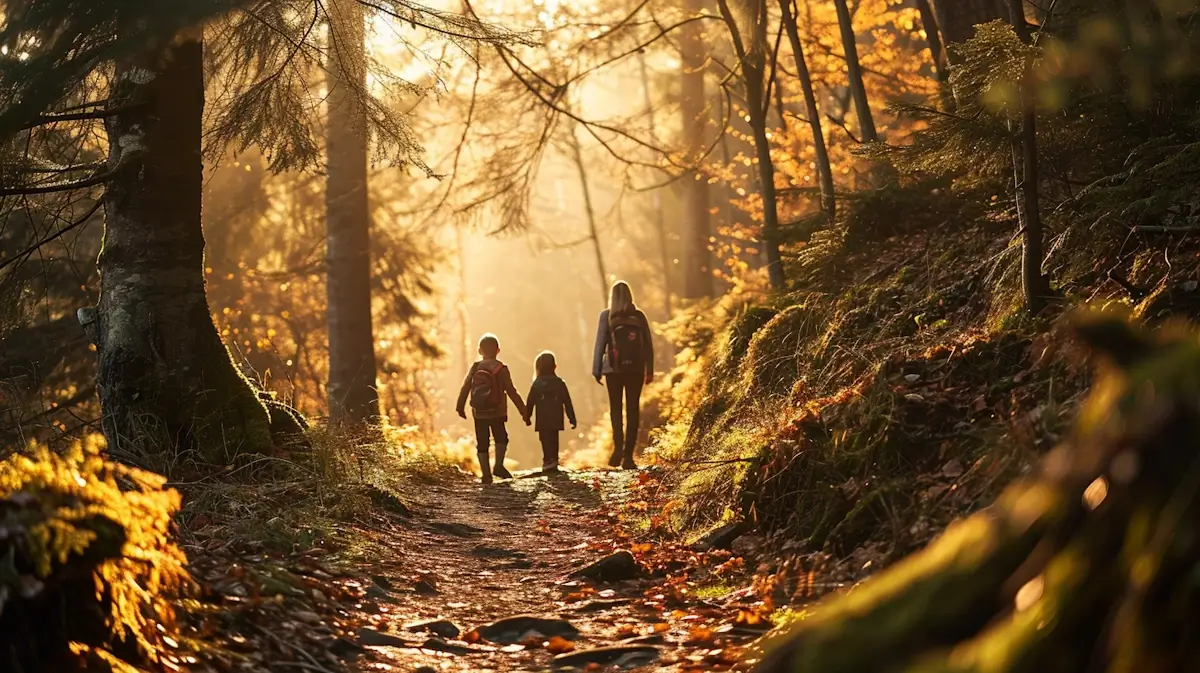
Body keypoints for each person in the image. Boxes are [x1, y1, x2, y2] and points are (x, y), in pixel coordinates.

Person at [591, 280, 654, 469]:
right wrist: (649, 369)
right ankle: (628, 457)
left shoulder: (607, 316)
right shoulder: (639, 316)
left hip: (613, 370)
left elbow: (600, 344)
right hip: (635, 369)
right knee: (633, 411)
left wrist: (597, 370)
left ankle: (618, 448)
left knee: (616, 410)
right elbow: (648, 345)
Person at [456, 333, 527, 484]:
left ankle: (486, 474)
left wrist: (460, 407)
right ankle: (499, 466)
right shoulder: (501, 369)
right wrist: (524, 411)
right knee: (501, 438)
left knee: (482, 442)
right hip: (497, 412)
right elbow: (511, 391)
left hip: (479, 413)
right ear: (498, 350)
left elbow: (466, 387)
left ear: (480, 351)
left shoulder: (475, 367)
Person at [522, 351, 577, 473]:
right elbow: (567, 401)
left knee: (544, 438)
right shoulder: (560, 383)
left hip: (542, 417)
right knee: (554, 438)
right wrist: (572, 418)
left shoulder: (537, 384)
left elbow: (530, 401)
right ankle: (553, 460)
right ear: (555, 366)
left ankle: (547, 460)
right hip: (556, 416)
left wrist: (527, 416)